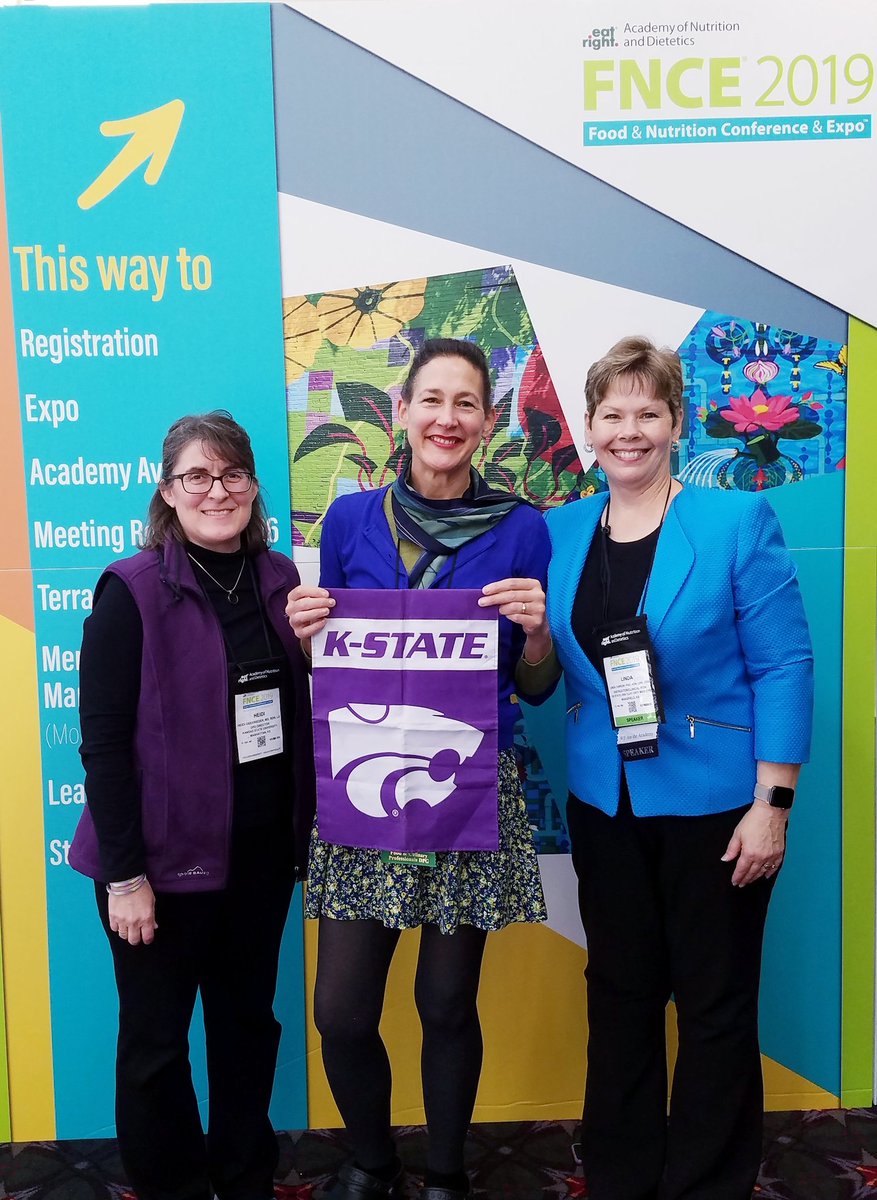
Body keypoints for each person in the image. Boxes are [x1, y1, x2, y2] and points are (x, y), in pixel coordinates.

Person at [527, 336, 813, 1200]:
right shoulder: (556, 531)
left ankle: (705, 1184)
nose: (628, 431)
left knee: (714, 1005)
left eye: (647, 413)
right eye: (611, 414)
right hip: (602, 804)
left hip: (717, 808)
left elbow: (784, 666)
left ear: (676, 423)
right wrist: (533, 640)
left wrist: (773, 805)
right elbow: (538, 679)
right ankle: (618, 1175)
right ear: (589, 428)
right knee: (617, 994)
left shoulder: (733, 524)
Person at [286, 338, 552, 1200]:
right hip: (362, 784)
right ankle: (371, 1163)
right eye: (430, 399)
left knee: (445, 1003)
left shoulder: (522, 528)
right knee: (341, 1012)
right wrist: (304, 632)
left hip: (463, 786)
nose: (446, 418)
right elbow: (330, 665)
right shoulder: (351, 519)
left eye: (465, 403)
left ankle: (443, 1176)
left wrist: (539, 634)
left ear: (485, 423)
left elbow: (536, 686)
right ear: (400, 411)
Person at [70, 411, 316, 1200]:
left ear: (252, 486)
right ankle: (170, 1187)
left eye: (232, 474)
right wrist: (125, 876)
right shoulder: (131, 591)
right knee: (155, 1047)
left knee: (248, 1029)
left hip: (258, 858)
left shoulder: (279, 580)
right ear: (168, 493)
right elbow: (103, 746)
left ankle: (244, 1179)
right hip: (159, 867)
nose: (217, 490)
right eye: (197, 477)